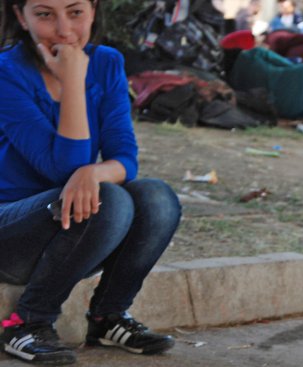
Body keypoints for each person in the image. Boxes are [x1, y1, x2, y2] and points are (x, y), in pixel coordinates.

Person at [0, 0, 181, 365]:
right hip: (13, 232)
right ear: (21, 17)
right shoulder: (5, 73)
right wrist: (72, 84)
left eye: (75, 12)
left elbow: (125, 158)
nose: (64, 29)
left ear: (94, 10)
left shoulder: (107, 62)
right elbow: (63, 170)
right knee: (109, 202)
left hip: (77, 234)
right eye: (45, 14)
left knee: (156, 196)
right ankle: (26, 323)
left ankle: (108, 317)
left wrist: (94, 172)